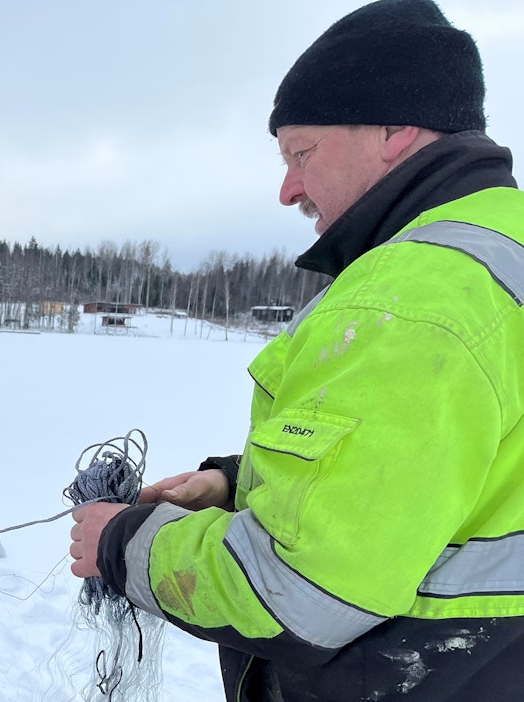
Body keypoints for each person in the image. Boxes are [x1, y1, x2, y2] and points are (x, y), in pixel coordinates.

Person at [69, 0, 524, 700]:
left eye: (301, 153)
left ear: (396, 128)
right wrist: (234, 482)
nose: (287, 190)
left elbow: (297, 590)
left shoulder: (416, 296)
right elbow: (444, 473)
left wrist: (120, 543)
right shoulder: (502, 252)